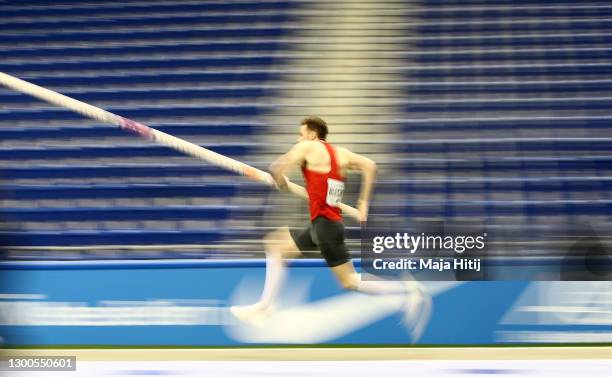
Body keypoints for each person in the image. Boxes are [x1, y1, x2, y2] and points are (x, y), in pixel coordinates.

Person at [231, 116, 430, 337]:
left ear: (312, 134)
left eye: (301, 133)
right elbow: (370, 166)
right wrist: (363, 202)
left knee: (351, 281)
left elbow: (277, 167)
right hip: (326, 224)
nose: (298, 139)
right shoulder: (341, 154)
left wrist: (280, 183)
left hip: (324, 227)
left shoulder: (307, 147)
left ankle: (405, 293)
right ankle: (265, 306)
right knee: (275, 245)